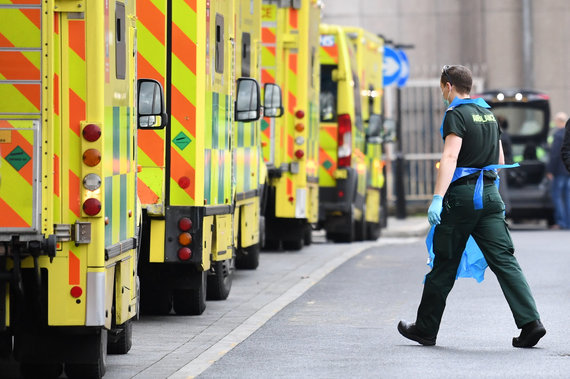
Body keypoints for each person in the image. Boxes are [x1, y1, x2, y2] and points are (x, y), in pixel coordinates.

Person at [398, 65, 545, 348]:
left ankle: (426, 329)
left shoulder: (456, 113)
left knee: (444, 262)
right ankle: (531, 323)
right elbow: (499, 158)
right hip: (490, 193)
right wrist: (490, 190)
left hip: (463, 197)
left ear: (449, 86)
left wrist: (438, 197)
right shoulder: (488, 113)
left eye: (443, 87)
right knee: (505, 260)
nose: (443, 93)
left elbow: (450, 157)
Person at [546, 112, 570, 229]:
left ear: (559, 121)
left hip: (560, 171)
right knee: (568, 196)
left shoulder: (558, 135)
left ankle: (561, 222)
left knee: (557, 196)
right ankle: (568, 222)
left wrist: (550, 170)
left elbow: (555, 154)